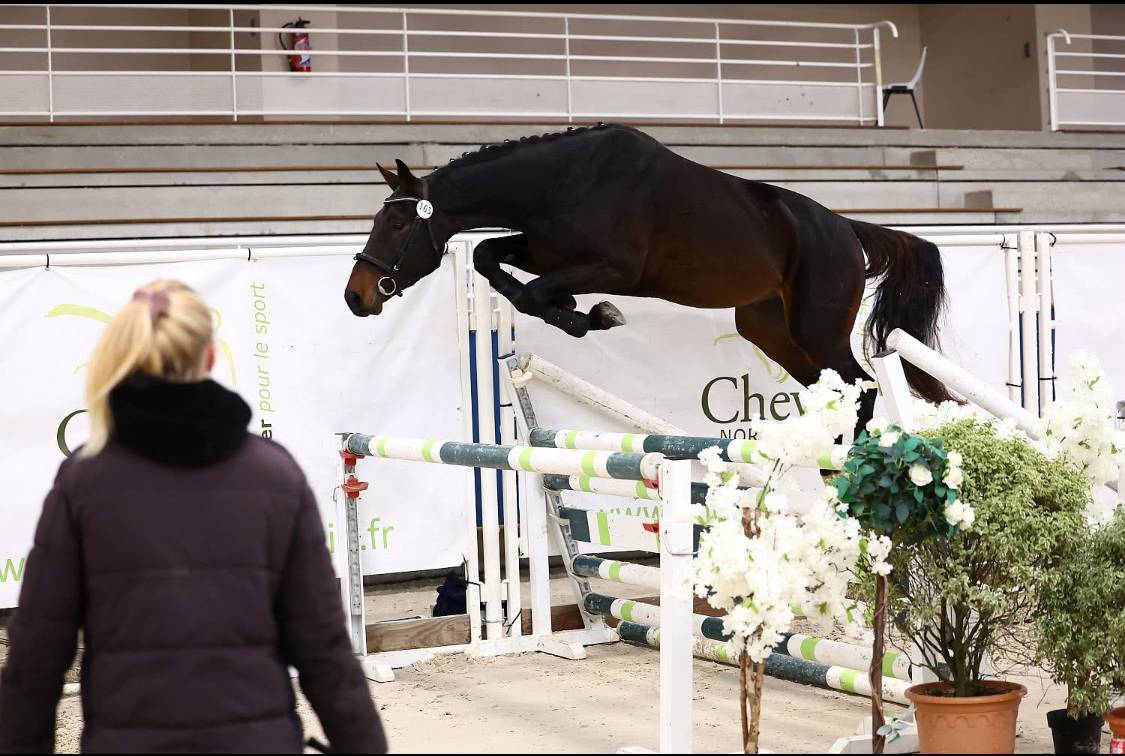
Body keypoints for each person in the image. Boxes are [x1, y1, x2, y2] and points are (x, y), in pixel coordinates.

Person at [0, 280, 387, 754]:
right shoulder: (275, 475)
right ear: (208, 358)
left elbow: (36, 656)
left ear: (130, 355)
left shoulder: (82, 480)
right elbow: (323, 649)